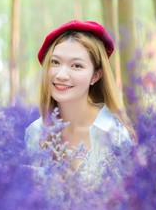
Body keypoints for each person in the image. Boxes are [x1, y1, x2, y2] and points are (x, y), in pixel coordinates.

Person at [25, 20, 136, 174]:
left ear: (95, 76)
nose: (61, 75)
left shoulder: (114, 134)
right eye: (55, 62)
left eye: (76, 65)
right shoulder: (35, 133)